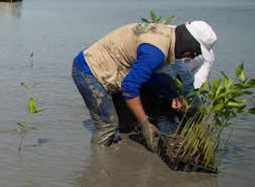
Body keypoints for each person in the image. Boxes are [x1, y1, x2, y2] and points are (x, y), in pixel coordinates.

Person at [71, 20, 217, 152]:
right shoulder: (156, 50)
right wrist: (145, 123)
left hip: (109, 69)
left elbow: (150, 76)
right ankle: (98, 170)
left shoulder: (166, 37)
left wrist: (172, 96)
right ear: (187, 41)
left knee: (119, 122)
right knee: (107, 126)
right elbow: (129, 87)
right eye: (194, 51)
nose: (191, 56)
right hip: (89, 70)